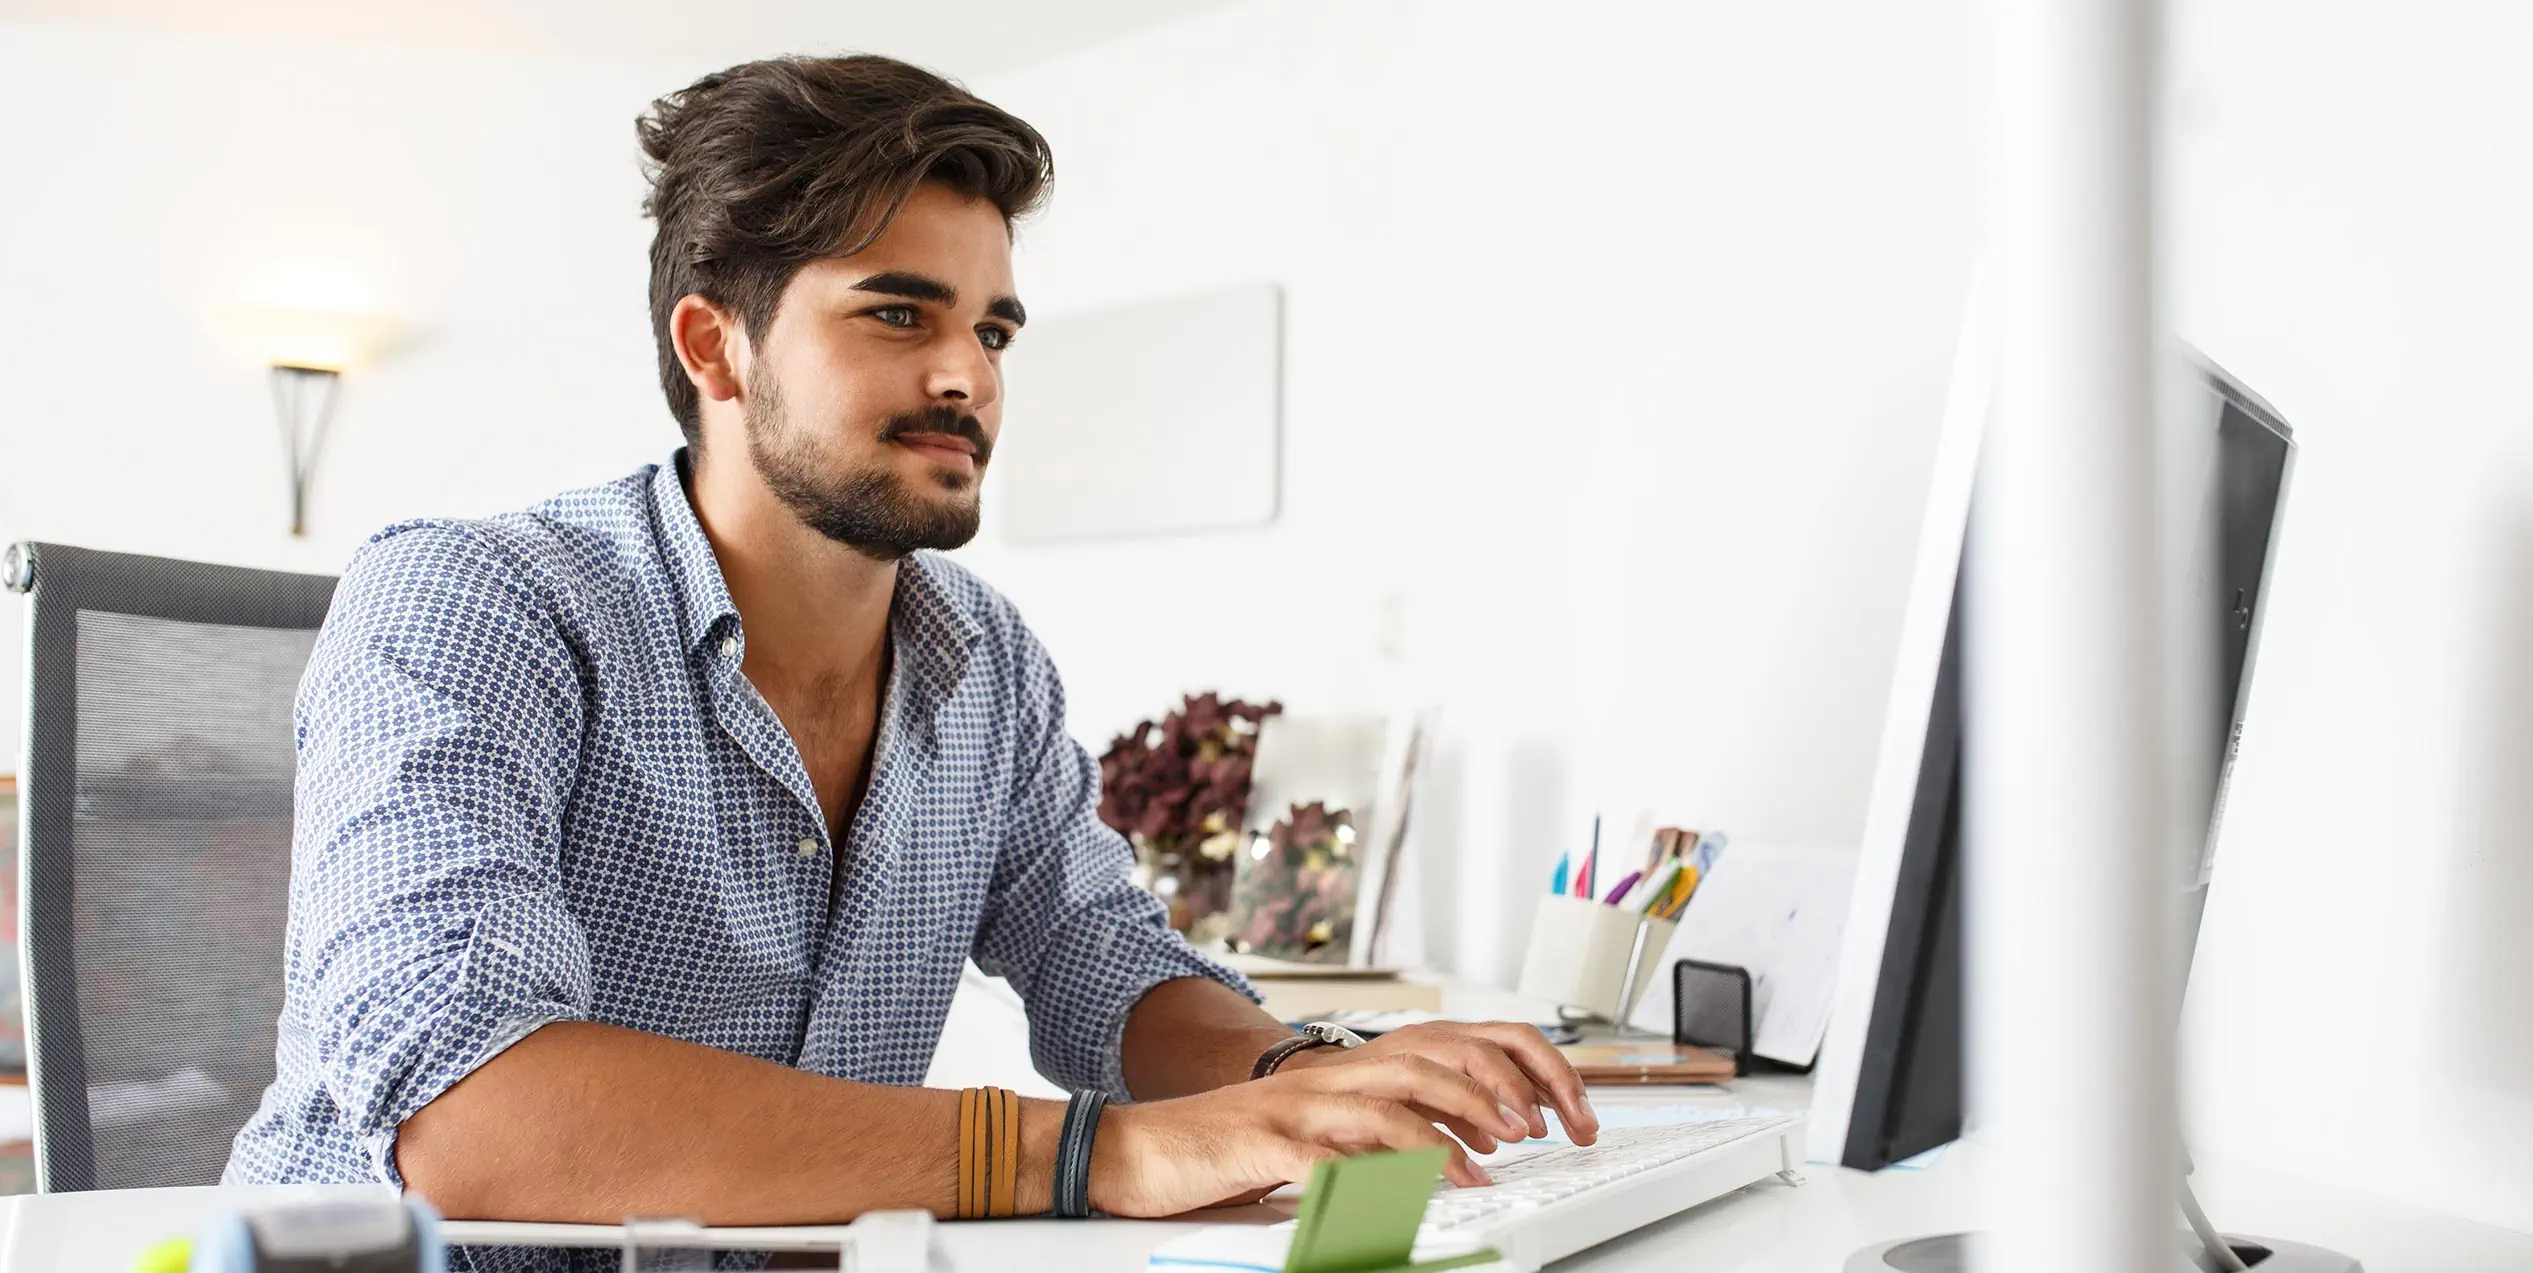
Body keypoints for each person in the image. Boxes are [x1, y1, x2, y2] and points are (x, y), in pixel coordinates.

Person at [224, 52, 1597, 1246]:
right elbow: (471, 1116)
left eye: (991, 328)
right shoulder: (475, 604)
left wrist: (1304, 1074)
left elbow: (1099, 958)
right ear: (716, 346)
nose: (969, 376)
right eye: (900, 315)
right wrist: (1093, 1157)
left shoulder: (982, 661)